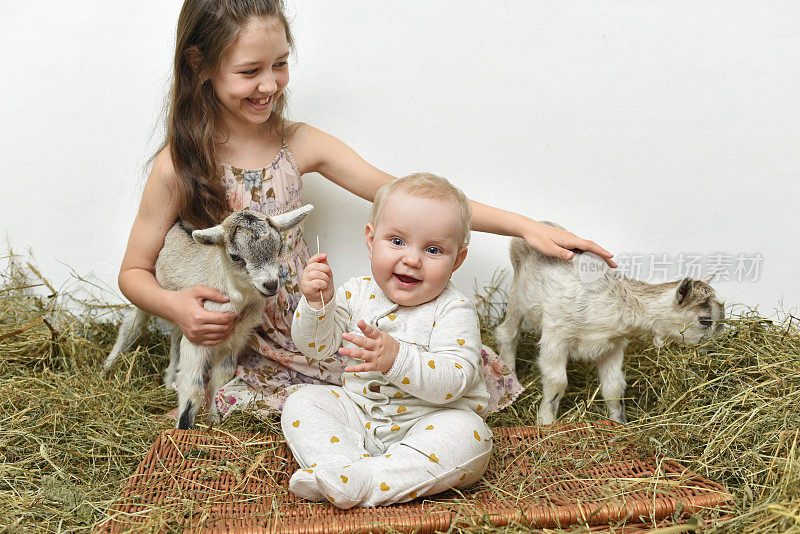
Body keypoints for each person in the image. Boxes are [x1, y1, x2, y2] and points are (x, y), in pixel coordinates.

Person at [117, 0, 616, 421]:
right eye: (249, 71)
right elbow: (134, 271)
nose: (270, 85)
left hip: (305, 322)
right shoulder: (177, 166)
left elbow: (407, 195)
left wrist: (526, 228)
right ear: (199, 64)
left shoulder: (298, 144)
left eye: (281, 64)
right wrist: (176, 308)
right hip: (238, 336)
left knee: (403, 368)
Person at [282, 173, 491, 508]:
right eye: (397, 241)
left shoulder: (455, 310)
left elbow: (453, 382)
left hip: (427, 425)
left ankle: (366, 481)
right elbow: (316, 348)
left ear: (457, 261)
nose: (411, 259)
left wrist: (398, 360)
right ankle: (342, 464)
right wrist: (317, 304)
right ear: (370, 239)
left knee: (472, 438)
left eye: (433, 249)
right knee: (302, 401)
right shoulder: (355, 292)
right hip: (359, 417)